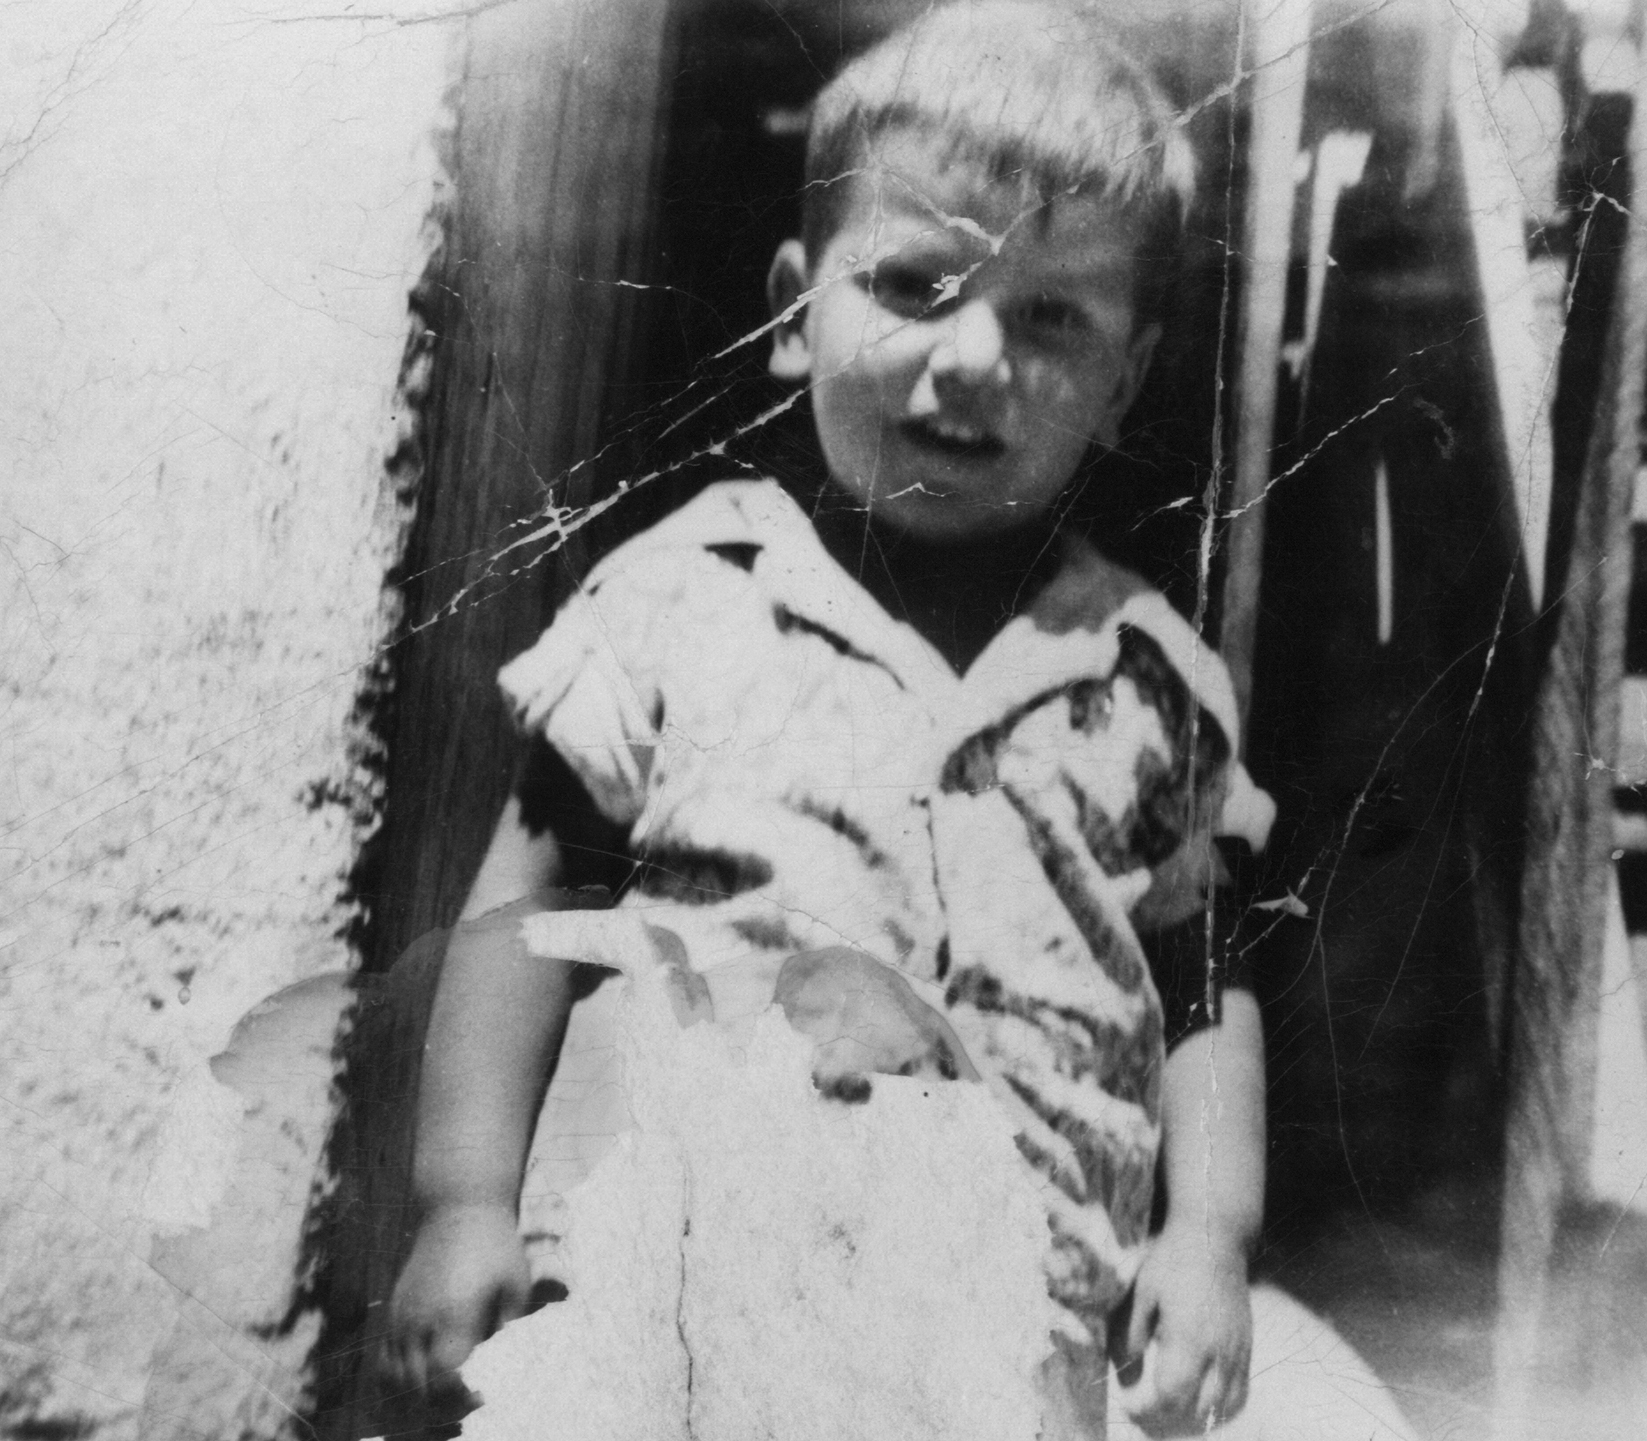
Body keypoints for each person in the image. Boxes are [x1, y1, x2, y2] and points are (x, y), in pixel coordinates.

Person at [384, 3, 1277, 1434]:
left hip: (1003, 1326)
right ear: (798, 312)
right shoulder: (684, 595)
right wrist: (466, 1197)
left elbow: (1202, 988)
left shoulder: (1151, 681)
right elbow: (529, 905)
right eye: (917, 284)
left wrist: (1209, 1236)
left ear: (1125, 376)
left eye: (1052, 316)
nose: (977, 357)